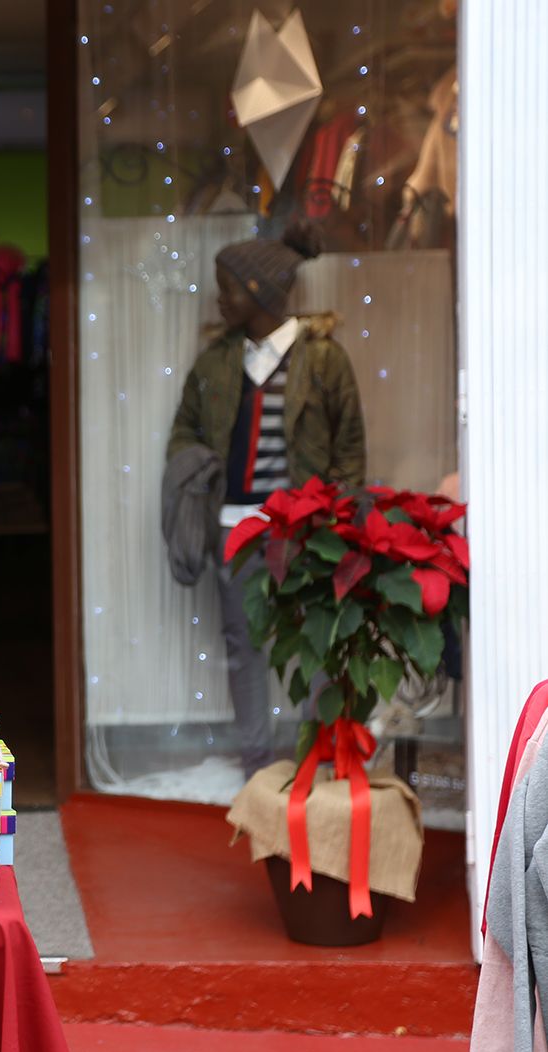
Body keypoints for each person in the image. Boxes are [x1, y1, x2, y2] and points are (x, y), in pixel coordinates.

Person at [167, 221, 365, 778]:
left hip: (307, 531)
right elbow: (184, 430)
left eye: (226, 287)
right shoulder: (216, 362)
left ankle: (316, 756)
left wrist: (340, 519)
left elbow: (350, 449)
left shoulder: (324, 360)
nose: (218, 298)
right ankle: (257, 760)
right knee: (244, 643)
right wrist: (196, 466)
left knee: (317, 639)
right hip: (234, 527)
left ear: (257, 292)